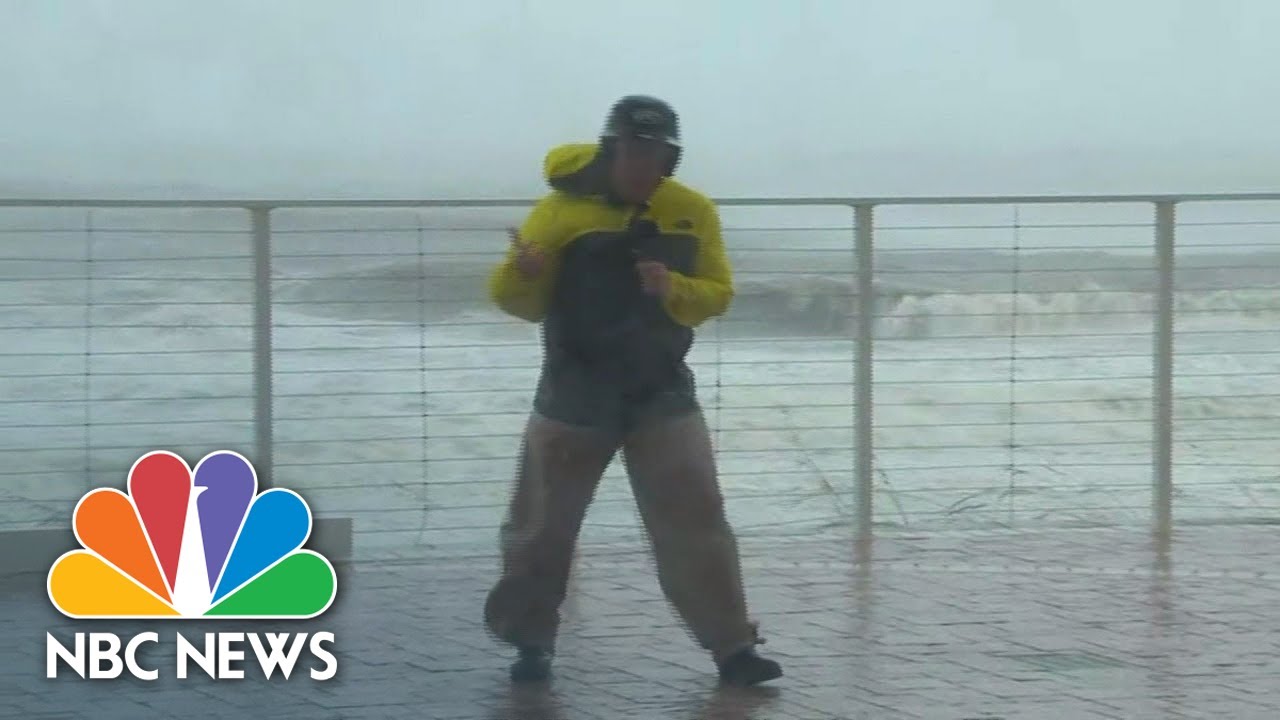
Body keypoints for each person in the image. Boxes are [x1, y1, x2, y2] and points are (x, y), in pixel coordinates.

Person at [482, 95, 783, 687]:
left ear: (671, 158)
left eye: (656, 153)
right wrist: (524, 274)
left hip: (661, 390)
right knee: (541, 526)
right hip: (575, 391)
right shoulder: (560, 212)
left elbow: (717, 293)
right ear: (610, 148)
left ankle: (733, 649)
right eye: (632, 149)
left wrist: (673, 286)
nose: (643, 163)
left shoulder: (691, 211)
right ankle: (531, 641)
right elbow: (516, 303)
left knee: (698, 524)